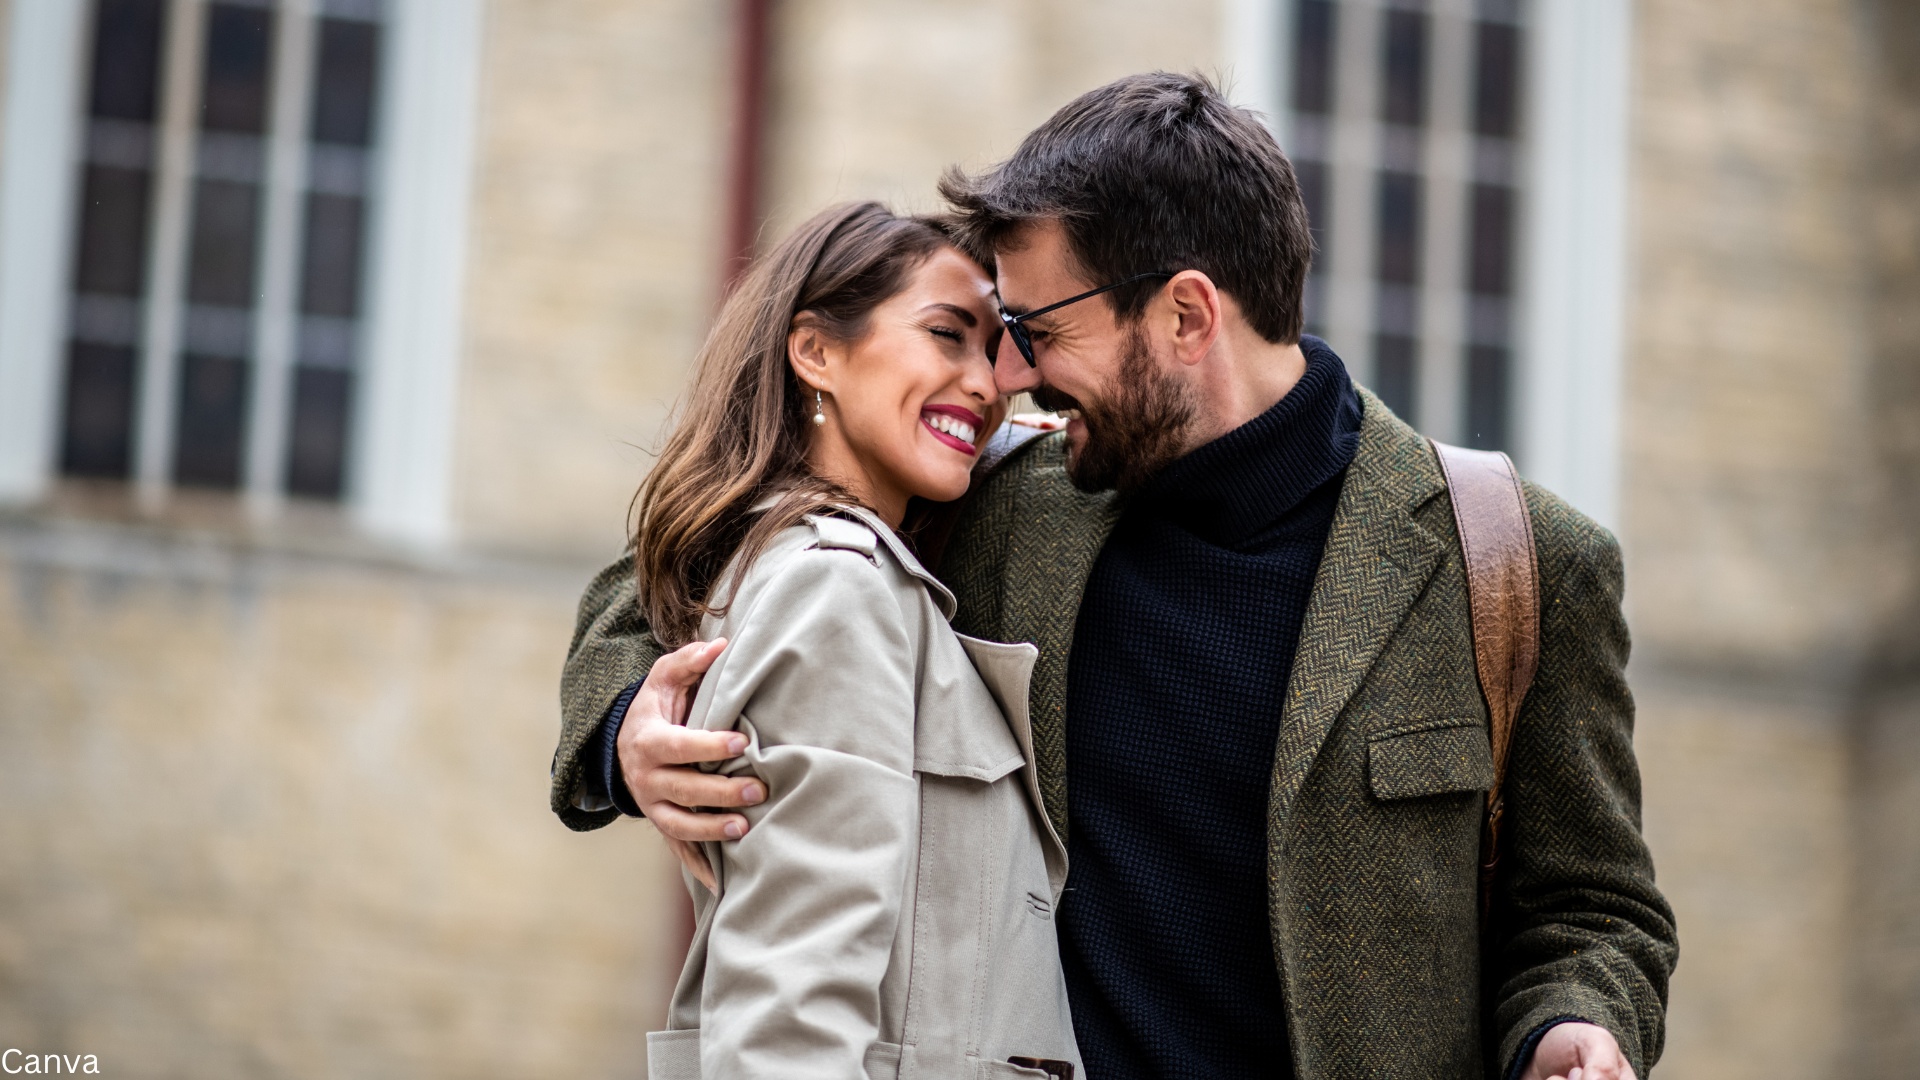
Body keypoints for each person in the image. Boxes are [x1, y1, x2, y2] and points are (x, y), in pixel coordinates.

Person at [556, 74, 1677, 1080]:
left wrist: (1576, 1023)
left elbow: (1592, 907)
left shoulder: (1519, 563)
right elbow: (693, 544)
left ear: (1186, 314)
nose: (1013, 378)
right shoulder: (997, 500)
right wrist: (625, 732)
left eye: (1035, 330)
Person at [582, 201, 1083, 1080]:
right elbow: (791, 1000)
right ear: (815, 351)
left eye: (994, 348)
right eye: (946, 335)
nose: (989, 382)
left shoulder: (817, 567)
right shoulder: (834, 588)